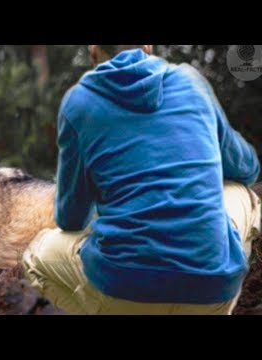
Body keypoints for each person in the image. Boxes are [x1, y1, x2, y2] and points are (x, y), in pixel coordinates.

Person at [23, 45, 262, 315]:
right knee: (242, 192)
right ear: (148, 46)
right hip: (213, 293)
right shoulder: (192, 81)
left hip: (124, 293)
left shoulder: (78, 103)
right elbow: (246, 168)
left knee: (35, 256)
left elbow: (70, 219)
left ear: (93, 50)